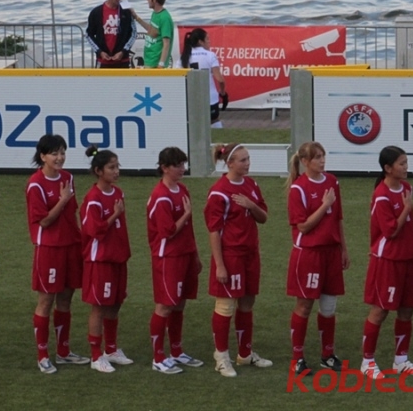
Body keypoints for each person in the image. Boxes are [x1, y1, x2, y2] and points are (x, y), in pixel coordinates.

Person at [205, 143, 272, 377]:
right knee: (225, 305)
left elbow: (263, 217)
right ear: (229, 163)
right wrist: (220, 265)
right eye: (242, 160)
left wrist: (251, 205)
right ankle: (221, 356)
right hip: (231, 256)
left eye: (248, 159)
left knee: (247, 303)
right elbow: (213, 231)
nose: (247, 163)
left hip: (250, 254)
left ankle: (245, 354)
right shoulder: (219, 192)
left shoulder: (251, 185)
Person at [26, 134, 89, 374]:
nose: (60, 157)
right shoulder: (35, 184)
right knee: (46, 301)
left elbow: (72, 213)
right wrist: (62, 200)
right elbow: (44, 221)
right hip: (49, 249)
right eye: (54, 153)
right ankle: (42, 355)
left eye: (62, 152)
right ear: (43, 156)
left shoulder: (68, 177)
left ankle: (63, 352)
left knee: (66, 298)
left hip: (71, 245)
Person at [286, 142, 349, 374]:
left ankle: (327, 355)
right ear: (305, 162)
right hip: (309, 254)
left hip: (331, 253)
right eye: (317, 157)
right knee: (304, 306)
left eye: (323, 156)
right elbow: (303, 226)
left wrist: (343, 248)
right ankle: (297, 358)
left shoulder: (332, 182)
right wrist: (324, 205)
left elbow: (338, 218)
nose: (322, 161)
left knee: (329, 306)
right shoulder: (298, 189)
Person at [360, 146, 413, 379]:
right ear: (388, 168)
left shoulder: (406, 187)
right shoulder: (381, 195)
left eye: (406, 162)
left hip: (408, 257)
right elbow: (390, 231)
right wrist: (406, 208)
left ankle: (401, 360)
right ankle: (367, 361)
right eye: (401, 164)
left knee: (407, 310)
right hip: (388, 260)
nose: (406, 168)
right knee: (381, 310)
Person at [146, 147, 204, 374]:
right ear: (164, 168)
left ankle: (176, 351)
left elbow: (188, 230)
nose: (182, 169)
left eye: (183, 164)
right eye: (178, 165)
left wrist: (195, 255)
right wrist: (186, 215)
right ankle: (158, 356)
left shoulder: (182, 189)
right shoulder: (161, 197)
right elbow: (168, 232)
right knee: (165, 305)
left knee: (180, 303)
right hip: (167, 257)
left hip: (185, 255)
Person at [80, 145, 133, 373]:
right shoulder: (93, 199)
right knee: (99, 307)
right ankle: (95, 355)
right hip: (100, 260)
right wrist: (114, 215)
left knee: (115, 303)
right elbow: (94, 230)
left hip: (118, 257)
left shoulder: (118, 192)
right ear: (99, 171)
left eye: (117, 166)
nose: (116, 171)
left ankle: (111, 349)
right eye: (111, 167)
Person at [178, 28, 227, 128]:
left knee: (195, 124)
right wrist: (222, 92)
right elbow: (220, 79)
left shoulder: (183, 57)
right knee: (214, 122)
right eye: (207, 39)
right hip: (209, 99)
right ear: (200, 41)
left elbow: (177, 78)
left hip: (191, 100)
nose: (209, 41)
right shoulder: (210, 55)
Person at [86, 0, 136, 68]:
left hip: (123, 60)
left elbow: (133, 33)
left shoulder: (126, 11)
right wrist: (99, 52)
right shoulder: (96, 12)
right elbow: (89, 34)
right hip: (103, 61)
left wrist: (123, 51)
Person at [133, 0, 174, 68]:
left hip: (156, 63)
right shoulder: (155, 13)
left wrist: (161, 64)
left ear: (154, 0)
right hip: (149, 60)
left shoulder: (165, 18)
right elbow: (152, 31)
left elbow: (166, 43)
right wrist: (136, 18)